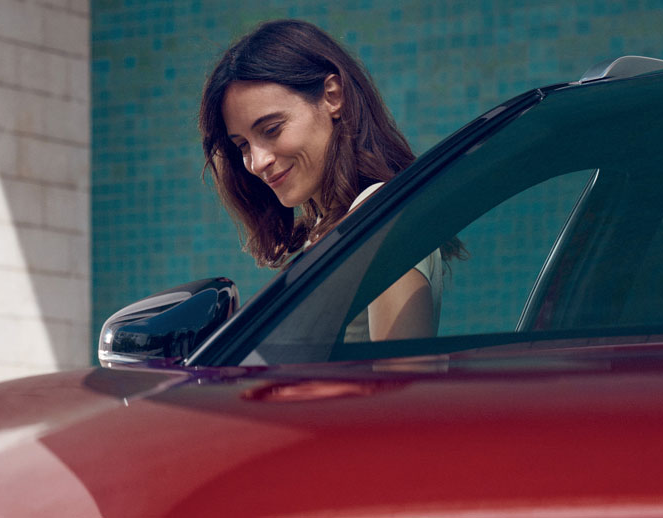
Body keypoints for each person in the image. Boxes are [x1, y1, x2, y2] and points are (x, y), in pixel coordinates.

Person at [199, 19, 465, 342]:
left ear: (333, 96)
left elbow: (400, 385)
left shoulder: (380, 213)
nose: (257, 162)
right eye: (242, 145)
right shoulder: (326, 231)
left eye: (271, 130)